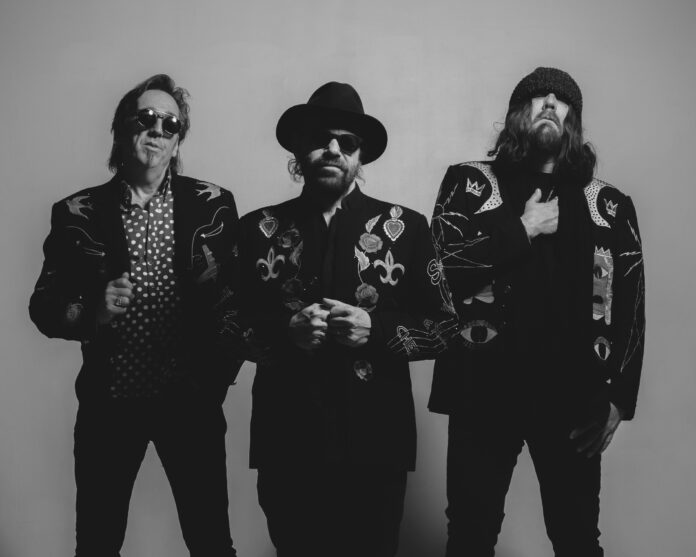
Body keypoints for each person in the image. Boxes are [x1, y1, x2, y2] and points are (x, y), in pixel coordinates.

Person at [219, 81, 458, 557]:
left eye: (346, 142)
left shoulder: (408, 228)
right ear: (298, 149)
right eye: (320, 138)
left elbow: (446, 327)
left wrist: (377, 329)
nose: (333, 149)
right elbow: (223, 325)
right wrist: (283, 332)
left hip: (376, 442)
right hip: (287, 438)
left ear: (359, 156)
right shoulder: (257, 229)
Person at [429, 67, 645, 556]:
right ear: (516, 114)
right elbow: (438, 273)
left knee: (577, 539)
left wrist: (620, 398)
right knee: (469, 536)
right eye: (537, 96)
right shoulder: (469, 183)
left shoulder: (608, 204)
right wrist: (521, 229)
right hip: (483, 389)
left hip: (572, 398)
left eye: (561, 98)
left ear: (573, 120)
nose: (549, 102)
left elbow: (632, 305)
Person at [29, 74, 240, 557]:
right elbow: (43, 306)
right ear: (122, 128)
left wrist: (214, 382)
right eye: (146, 118)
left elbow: (235, 302)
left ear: (178, 139)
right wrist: (93, 312)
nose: (158, 129)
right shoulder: (77, 212)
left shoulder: (213, 205)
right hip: (110, 405)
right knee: (97, 544)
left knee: (211, 542)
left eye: (171, 123)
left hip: (190, 403)